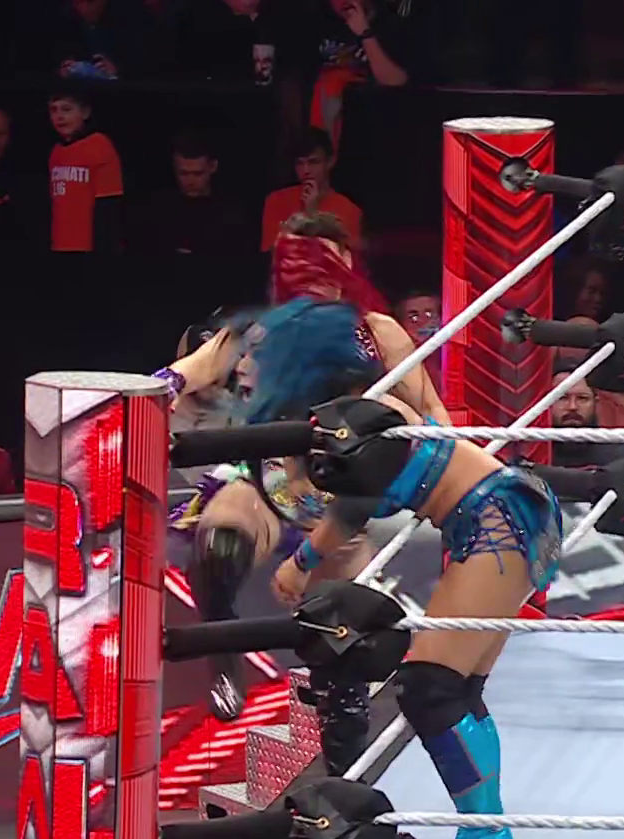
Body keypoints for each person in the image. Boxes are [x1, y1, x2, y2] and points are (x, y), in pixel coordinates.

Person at [246, 312, 564, 839]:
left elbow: (354, 508)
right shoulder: (350, 415)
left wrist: (300, 564)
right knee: (457, 691)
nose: (249, 372)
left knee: (430, 688)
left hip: (498, 519)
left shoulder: (355, 418)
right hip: (497, 516)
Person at [162, 212, 436, 767]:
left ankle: (343, 772)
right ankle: (224, 657)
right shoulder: (262, 328)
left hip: (344, 503)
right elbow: (191, 367)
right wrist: (153, 390)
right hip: (267, 482)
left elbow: (427, 407)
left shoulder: (376, 330)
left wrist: (450, 475)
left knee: (345, 652)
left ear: (344, 263)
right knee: (220, 537)